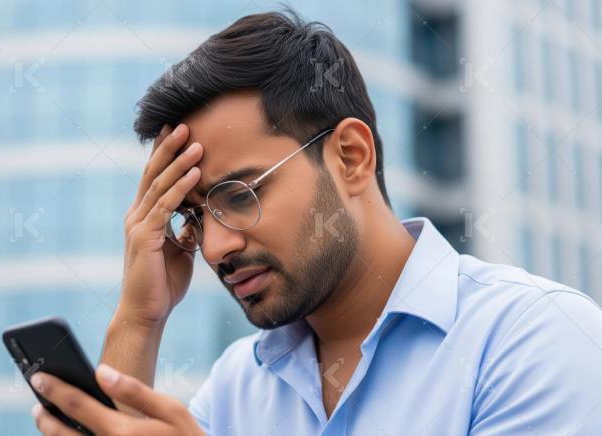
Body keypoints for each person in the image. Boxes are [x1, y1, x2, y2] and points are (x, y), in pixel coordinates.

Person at [29, 9, 602, 435]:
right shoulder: (237, 388)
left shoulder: (532, 340)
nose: (216, 247)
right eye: (194, 217)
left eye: (239, 193)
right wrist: (139, 319)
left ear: (350, 157)